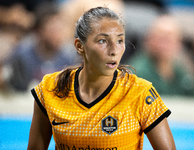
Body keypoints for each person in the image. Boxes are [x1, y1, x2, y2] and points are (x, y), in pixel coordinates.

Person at [27, 7, 176, 150]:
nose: (113, 51)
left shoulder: (140, 93)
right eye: (103, 41)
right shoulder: (50, 88)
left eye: (119, 41)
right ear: (80, 46)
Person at [127, 15, 194, 96]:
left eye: (170, 39)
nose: (165, 44)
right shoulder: (136, 72)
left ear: (179, 43)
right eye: (161, 38)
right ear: (149, 40)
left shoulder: (182, 72)